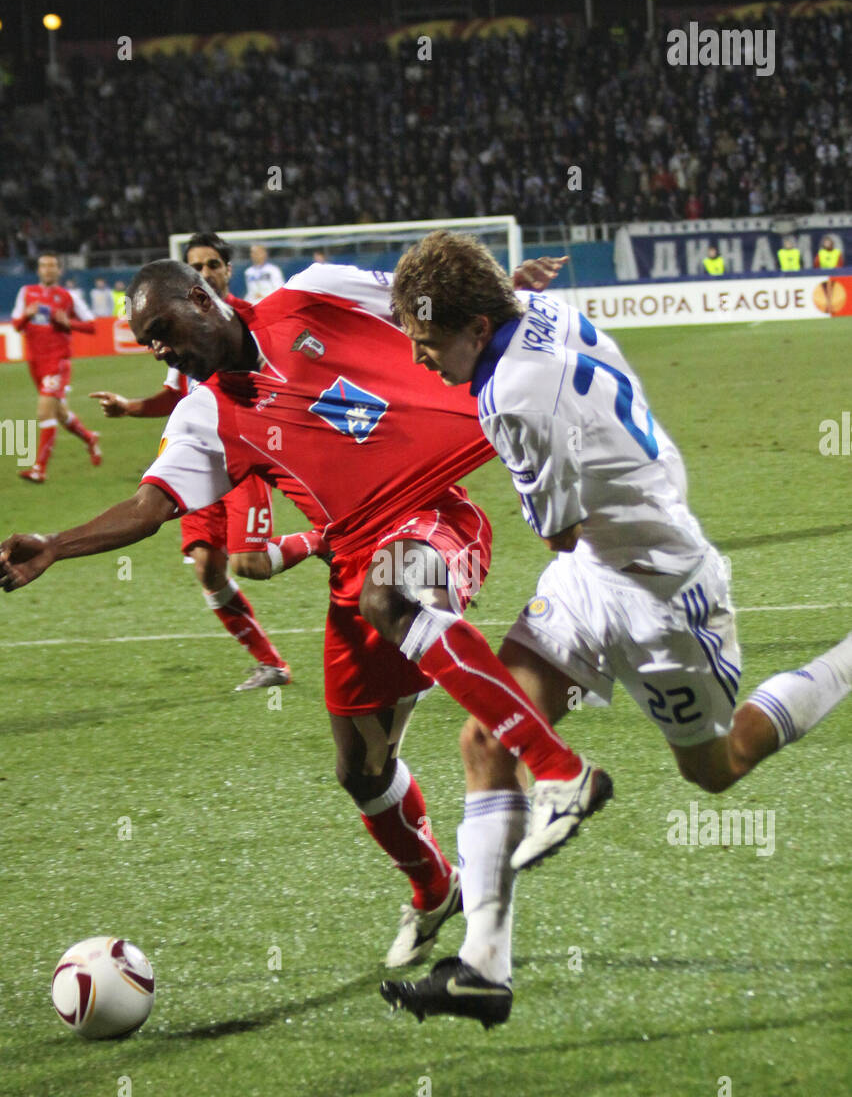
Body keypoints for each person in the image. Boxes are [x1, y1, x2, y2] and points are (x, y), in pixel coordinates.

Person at [0, 257, 610, 969]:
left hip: (434, 518)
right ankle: (434, 889)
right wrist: (54, 544)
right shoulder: (205, 414)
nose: (161, 350)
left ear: (205, 299)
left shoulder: (314, 294)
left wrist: (509, 284)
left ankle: (557, 767)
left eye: (164, 330)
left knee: (397, 593)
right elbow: (150, 506)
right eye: (148, 343)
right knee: (361, 772)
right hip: (351, 563)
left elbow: (422, 297)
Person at [370, 229, 852, 1026]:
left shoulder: (510, 398)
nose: (421, 359)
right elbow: (570, 536)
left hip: (663, 593)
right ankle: (484, 971)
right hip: (600, 568)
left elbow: (554, 530)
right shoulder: (539, 309)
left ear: (476, 330)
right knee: (488, 738)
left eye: (428, 343)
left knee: (716, 769)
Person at [90, 232, 310, 691]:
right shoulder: (177, 327)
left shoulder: (253, 323)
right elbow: (175, 394)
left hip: (243, 453)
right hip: (194, 457)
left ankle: (325, 539)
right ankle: (272, 665)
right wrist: (129, 406)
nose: (207, 273)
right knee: (207, 568)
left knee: (250, 563)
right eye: (197, 266)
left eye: (213, 265)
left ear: (228, 270)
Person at [11, 252, 101, 483]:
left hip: (58, 361)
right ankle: (90, 438)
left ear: (59, 271)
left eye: (52, 266)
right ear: (39, 270)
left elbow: (92, 326)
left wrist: (67, 322)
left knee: (44, 411)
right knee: (60, 413)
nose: (48, 270)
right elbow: (17, 325)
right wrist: (26, 316)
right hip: (36, 362)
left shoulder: (68, 297)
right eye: (44, 266)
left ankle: (39, 469)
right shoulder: (26, 293)